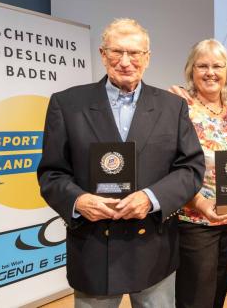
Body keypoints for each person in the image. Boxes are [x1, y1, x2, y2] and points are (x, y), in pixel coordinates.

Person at [37, 18, 205, 307]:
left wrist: (151, 198)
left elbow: (190, 169)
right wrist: (78, 202)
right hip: (94, 250)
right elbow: (52, 173)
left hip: (153, 248)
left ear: (147, 58)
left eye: (135, 53)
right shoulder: (67, 104)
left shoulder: (172, 106)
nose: (125, 61)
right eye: (116, 52)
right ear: (103, 54)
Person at [167, 39, 227, 308]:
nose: (210, 72)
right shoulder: (179, 106)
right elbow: (168, 164)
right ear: (192, 70)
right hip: (195, 220)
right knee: (195, 299)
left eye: (217, 66)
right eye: (202, 65)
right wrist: (199, 203)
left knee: (216, 295)